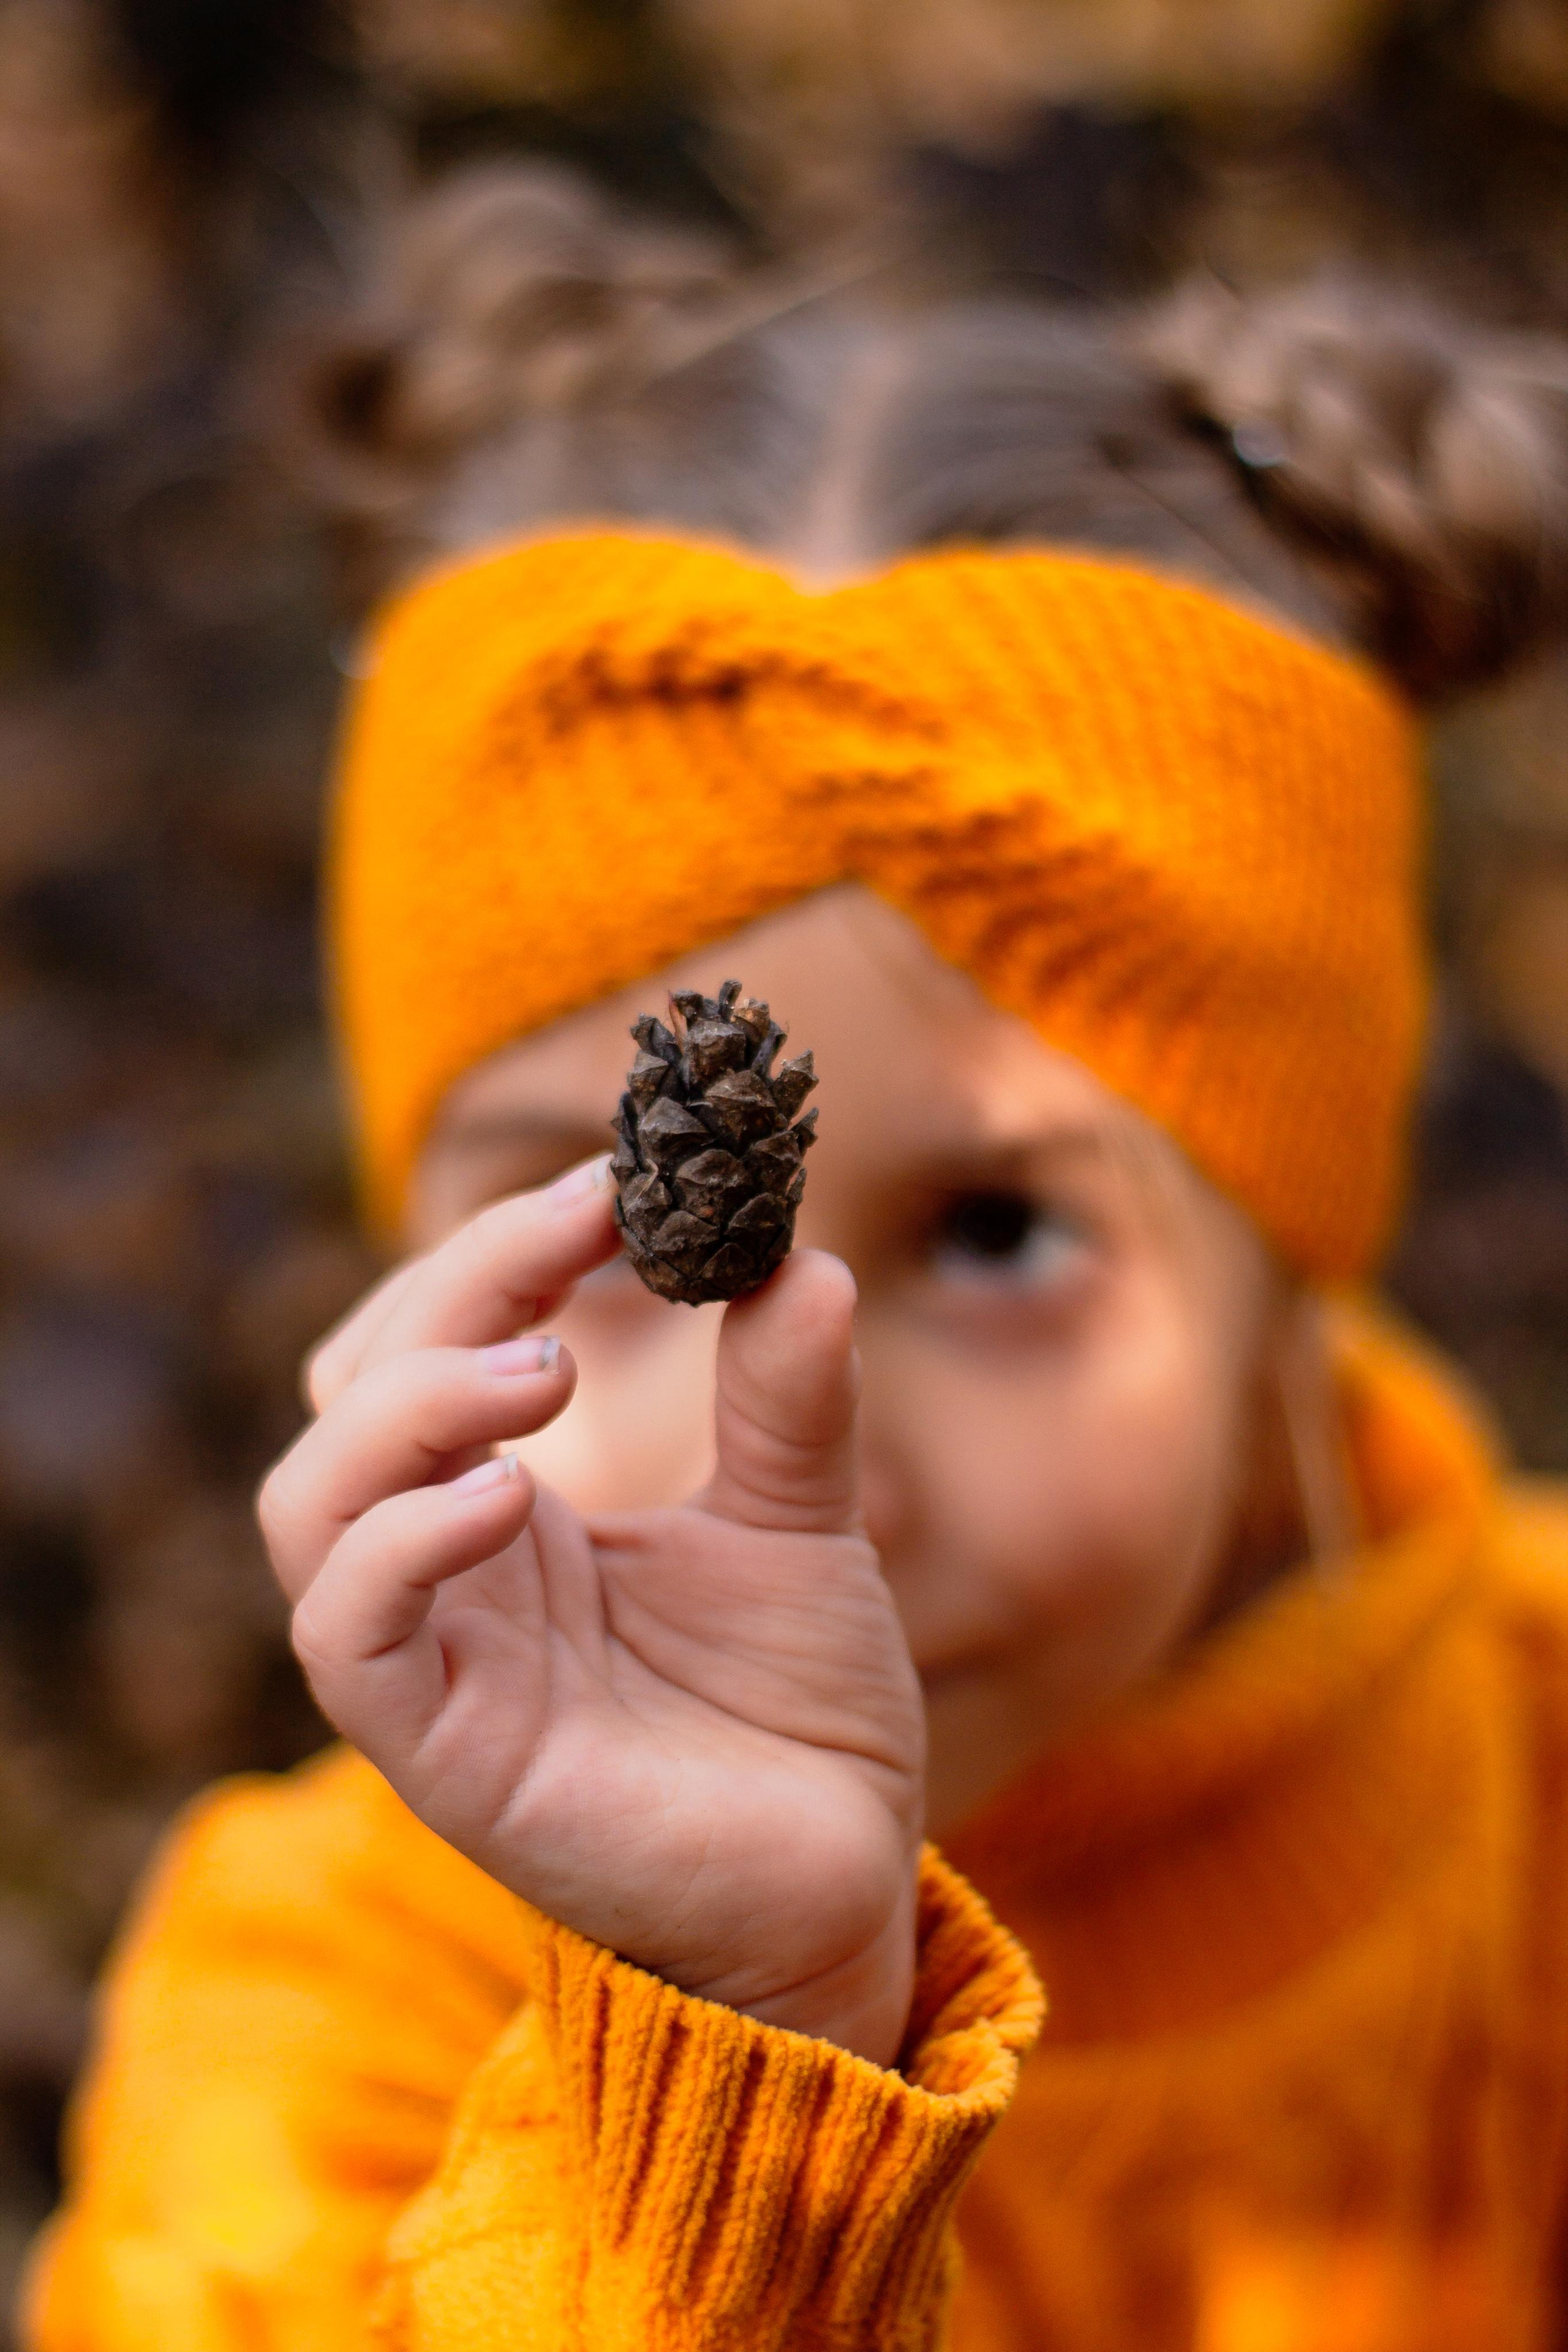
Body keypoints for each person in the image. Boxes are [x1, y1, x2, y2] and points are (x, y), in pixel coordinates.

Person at [24, 167, 1568, 2352]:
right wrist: (721, 2091)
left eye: (1003, 1231)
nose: (806, 1460)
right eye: (618, 1218)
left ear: (1285, 1287)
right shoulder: (322, 2017)